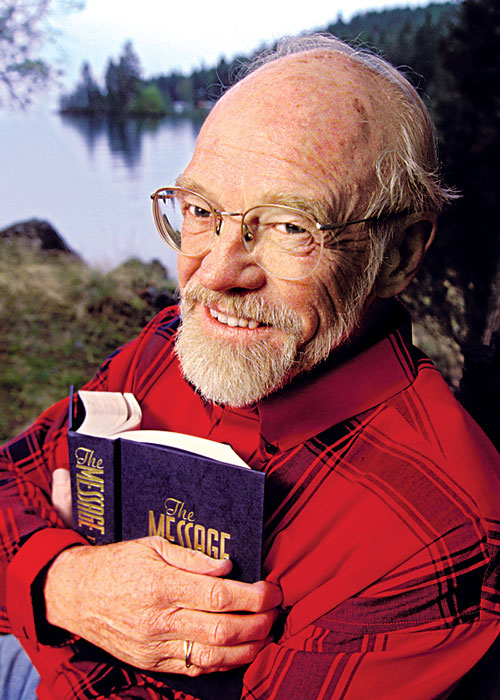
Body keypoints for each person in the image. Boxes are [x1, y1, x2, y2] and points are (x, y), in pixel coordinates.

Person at [1, 33, 499, 700]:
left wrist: (48, 580)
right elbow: (9, 479)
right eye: (202, 211)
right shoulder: (175, 342)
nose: (213, 274)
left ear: (400, 254)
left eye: (293, 226)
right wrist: (59, 581)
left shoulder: (443, 527)